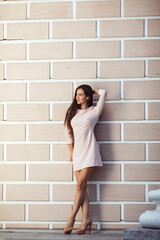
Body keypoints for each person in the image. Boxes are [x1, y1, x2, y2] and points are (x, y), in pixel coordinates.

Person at [64, 84, 107, 235]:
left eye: (81, 94)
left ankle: (71, 219)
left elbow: (104, 93)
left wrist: (93, 91)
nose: (77, 97)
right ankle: (86, 219)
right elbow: (68, 132)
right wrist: (71, 151)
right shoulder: (72, 111)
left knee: (80, 185)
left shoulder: (95, 111)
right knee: (82, 187)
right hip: (77, 153)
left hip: (90, 151)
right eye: (77, 94)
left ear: (88, 97)